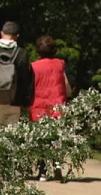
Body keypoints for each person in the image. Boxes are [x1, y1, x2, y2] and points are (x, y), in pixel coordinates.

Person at [29, 35, 72, 181]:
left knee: (41, 139)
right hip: (57, 105)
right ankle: (58, 163)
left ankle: (43, 171)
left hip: (38, 107)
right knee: (56, 137)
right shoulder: (60, 64)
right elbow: (65, 84)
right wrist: (68, 95)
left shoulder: (33, 66)